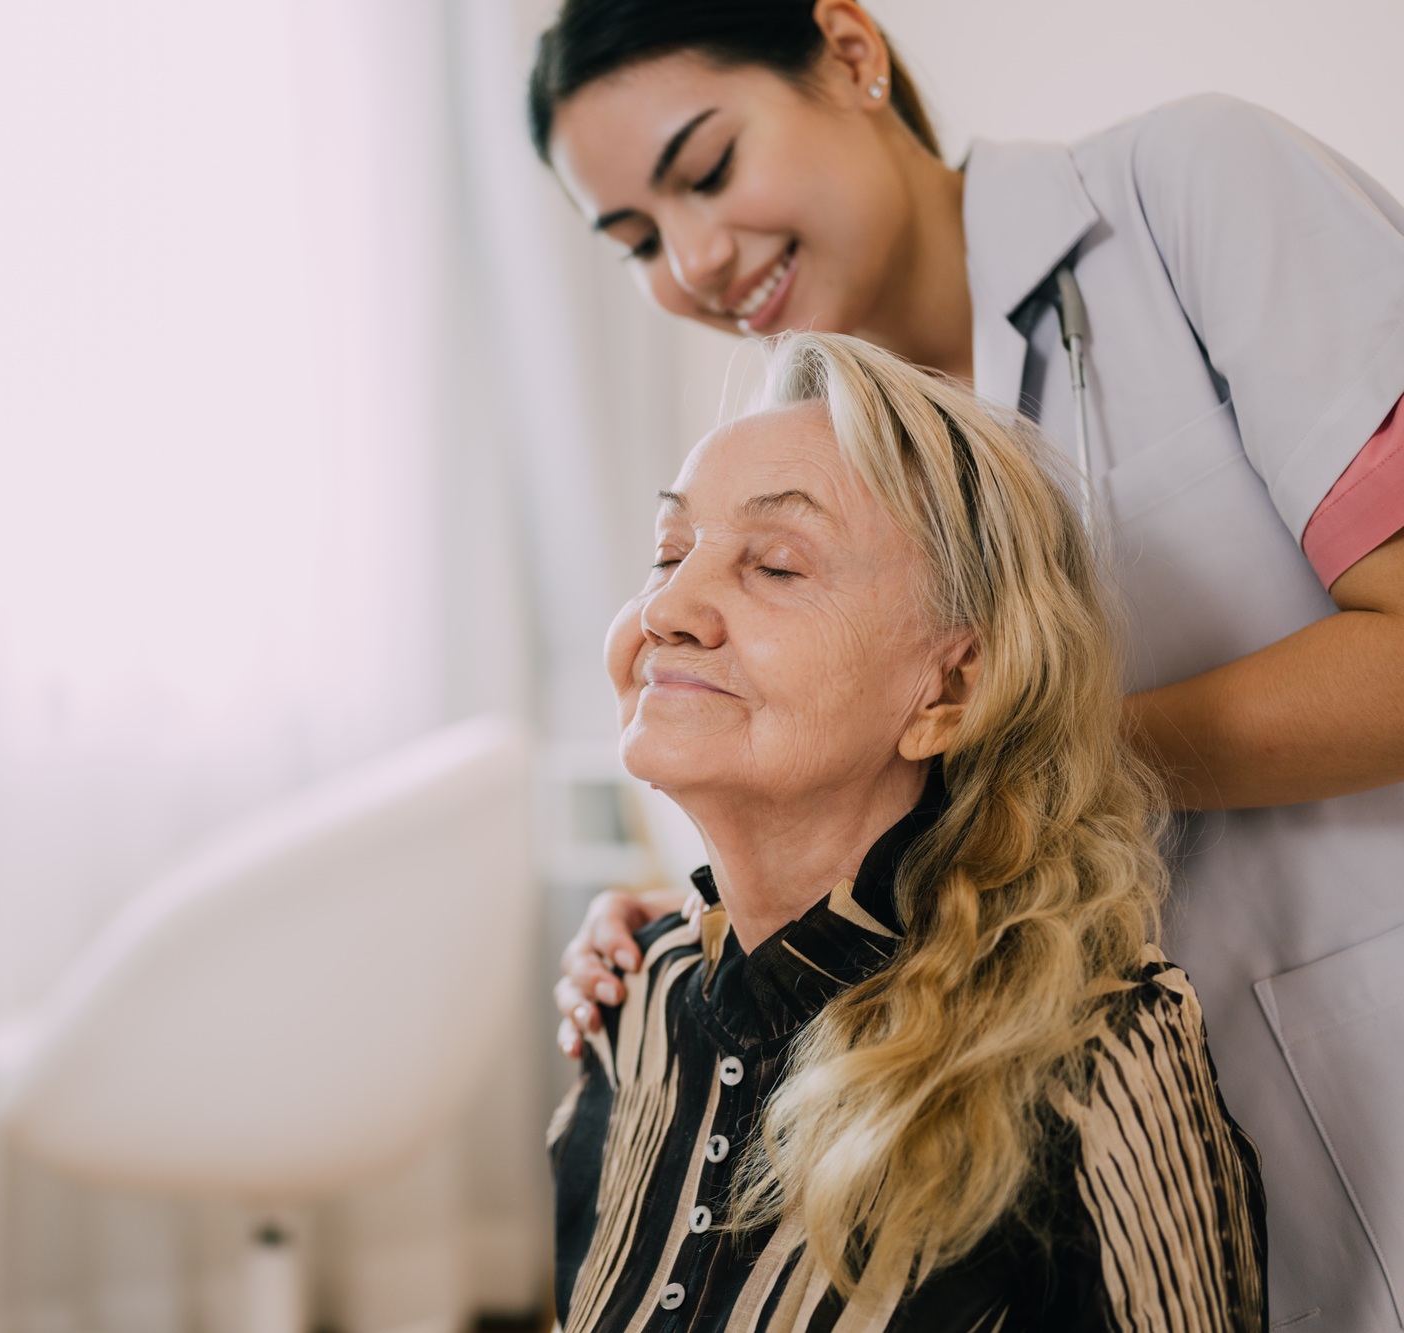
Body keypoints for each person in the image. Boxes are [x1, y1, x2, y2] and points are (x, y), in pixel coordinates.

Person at [529, 3, 1404, 1324]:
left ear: (852, 52)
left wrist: (997, 750)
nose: (698, 259)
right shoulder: (803, 441)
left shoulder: (1185, 199)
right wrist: (708, 930)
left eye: (705, 169)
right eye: (640, 240)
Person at [553, 329, 1263, 1331]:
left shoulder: (1093, 1057)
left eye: (775, 567)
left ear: (949, 686)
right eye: (668, 552)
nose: (666, 606)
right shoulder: (632, 998)